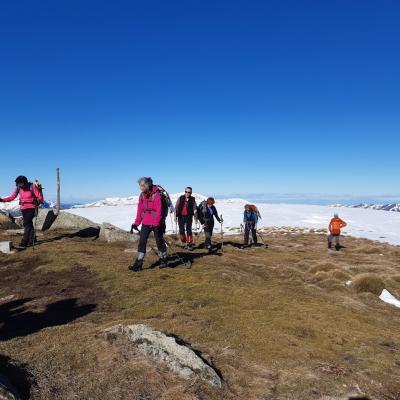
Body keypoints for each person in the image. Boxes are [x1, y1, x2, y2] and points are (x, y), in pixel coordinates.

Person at [129, 177, 168, 272]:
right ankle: (138, 263)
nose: (141, 188)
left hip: (156, 222)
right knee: (142, 241)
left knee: (159, 242)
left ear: (148, 185)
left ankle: (163, 259)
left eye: (142, 185)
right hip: (146, 222)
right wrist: (137, 223)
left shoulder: (157, 195)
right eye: (140, 186)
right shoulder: (142, 195)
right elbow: (140, 210)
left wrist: (156, 223)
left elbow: (159, 210)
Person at [0, 176, 44, 247]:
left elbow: (40, 198)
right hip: (23, 208)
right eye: (18, 184)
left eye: (20, 184)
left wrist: (37, 201)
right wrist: (2, 200)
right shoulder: (18, 188)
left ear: (25, 183)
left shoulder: (32, 186)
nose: (19, 186)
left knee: (26, 224)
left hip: (32, 207)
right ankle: (32, 239)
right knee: (29, 224)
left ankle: (25, 241)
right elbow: (12, 197)